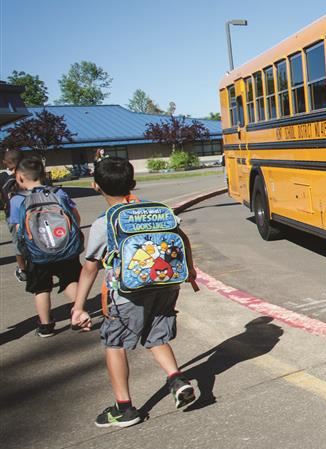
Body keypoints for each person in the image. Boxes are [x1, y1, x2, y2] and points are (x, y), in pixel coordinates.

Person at [71, 157, 198, 428]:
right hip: (165, 287)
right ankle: (177, 380)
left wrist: (78, 306)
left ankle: (124, 408)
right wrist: (191, 270)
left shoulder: (104, 223)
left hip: (127, 293)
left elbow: (90, 268)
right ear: (133, 183)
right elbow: (182, 238)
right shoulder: (155, 212)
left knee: (114, 344)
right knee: (155, 334)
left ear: (96, 186)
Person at [7, 155, 83, 337]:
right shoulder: (58, 193)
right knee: (70, 280)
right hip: (64, 248)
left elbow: (18, 232)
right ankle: (78, 315)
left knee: (41, 289)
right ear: (43, 174)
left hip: (36, 253)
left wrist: (21, 261)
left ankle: (46, 325)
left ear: (19, 177)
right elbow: (75, 217)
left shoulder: (17, 200)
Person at [2, 149, 25, 281]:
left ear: (7, 162)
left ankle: (23, 270)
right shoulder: (31, 173)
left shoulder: (6, 178)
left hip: (13, 216)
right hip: (32, 213)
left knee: (18, 243)